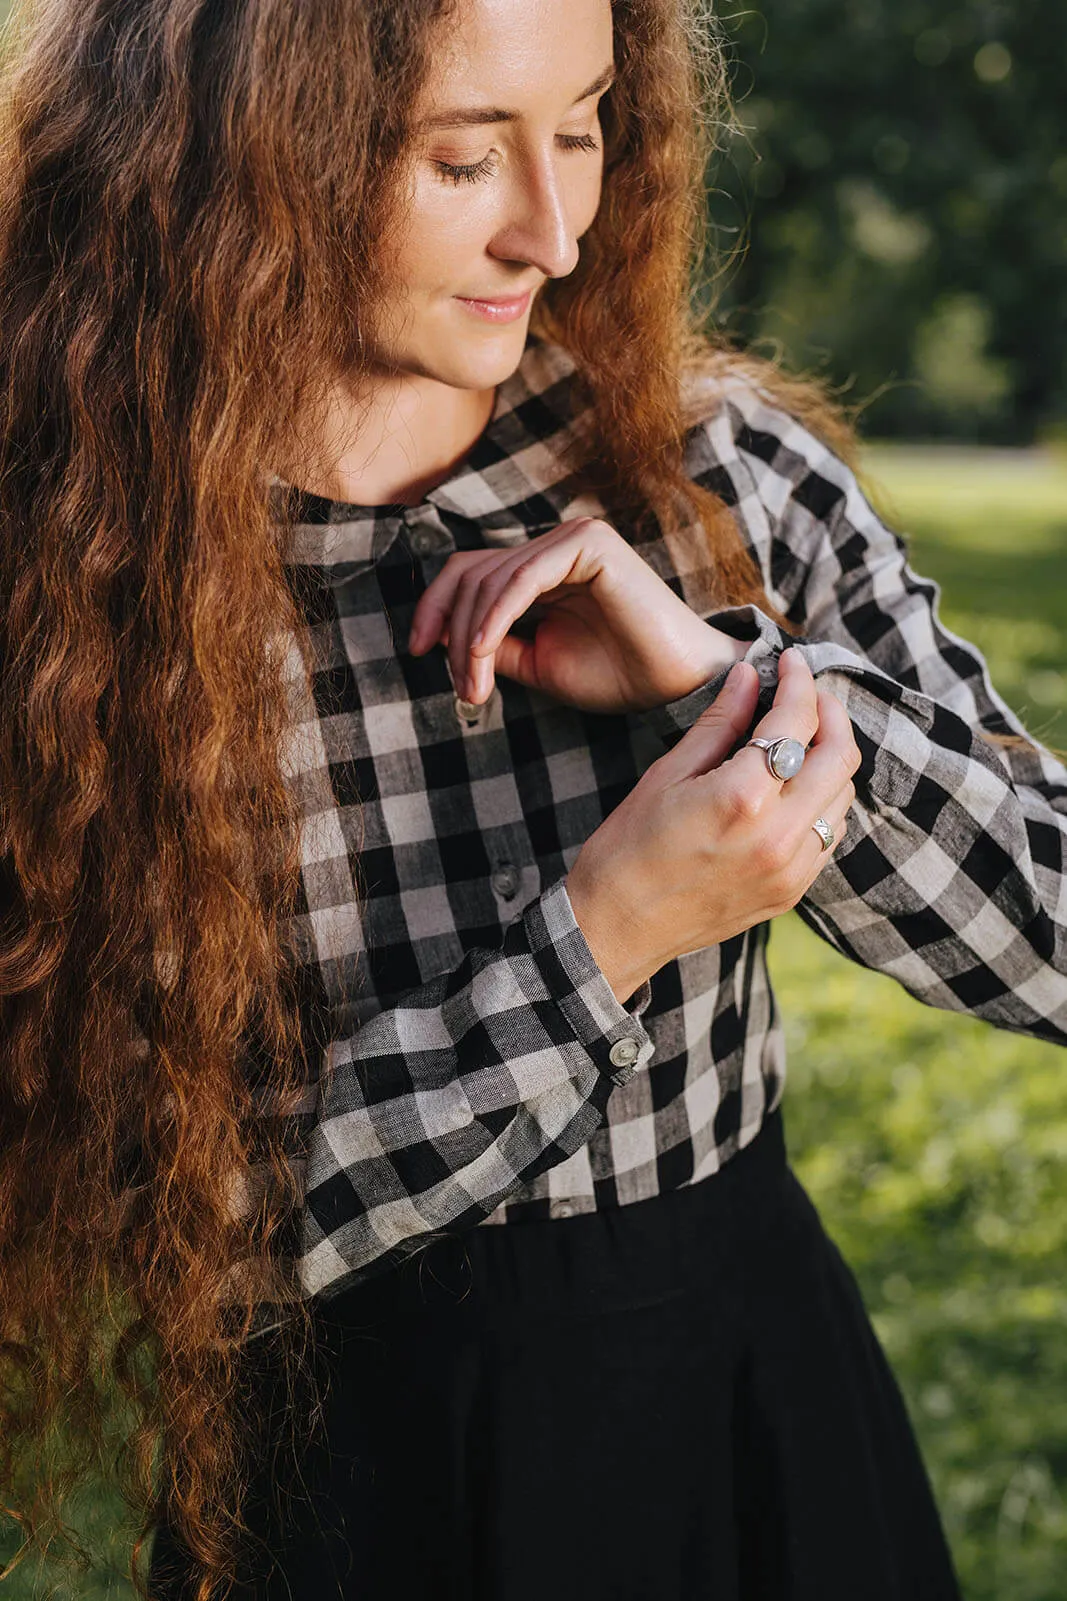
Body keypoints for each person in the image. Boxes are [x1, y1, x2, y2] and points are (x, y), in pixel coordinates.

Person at [0, 0, 1063, 1598]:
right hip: (358, 1482)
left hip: (751, 1395)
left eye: (580, 126)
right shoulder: (76, 596)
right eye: (459, 156)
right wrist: (605, 934)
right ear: (240, 159)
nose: (553, 232)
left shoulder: (715, 473)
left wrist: (729, 690)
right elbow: (177, 1236)